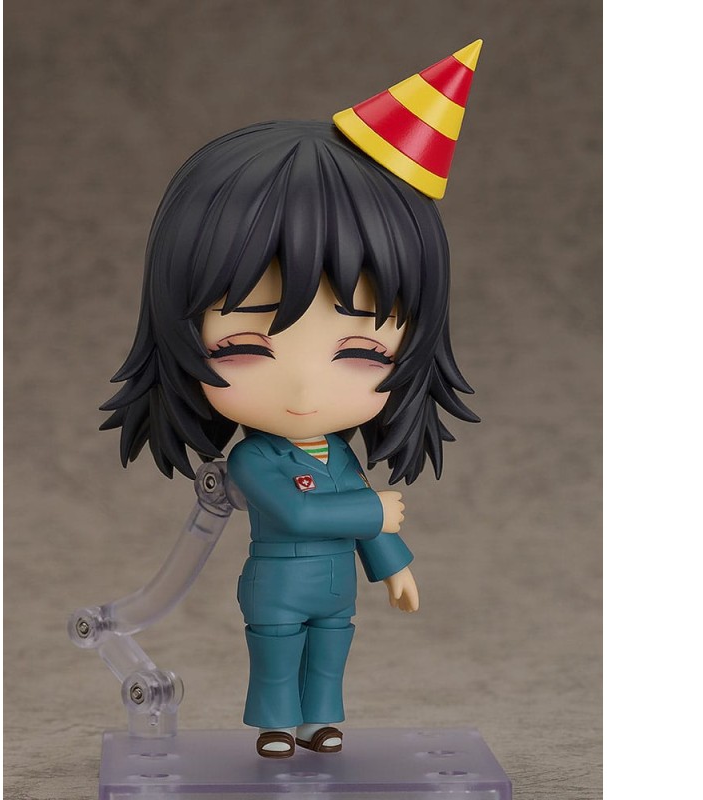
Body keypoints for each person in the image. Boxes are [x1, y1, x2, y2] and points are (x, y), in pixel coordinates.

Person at [101, 41, 482, 760]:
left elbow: (360, 512)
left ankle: (320, 722)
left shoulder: (338, 454)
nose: (305, 388)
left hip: (336, 590)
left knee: (331, 653)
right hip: (276, 588)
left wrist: (394, 562)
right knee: (278, 657)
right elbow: (301, 513)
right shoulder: (256, 461)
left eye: (362, 351)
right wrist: (375, 513)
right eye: (246, 345)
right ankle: (276, 724)